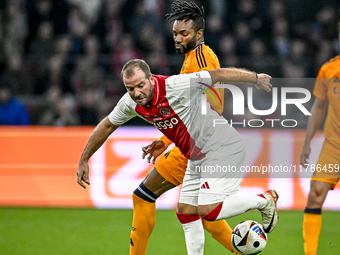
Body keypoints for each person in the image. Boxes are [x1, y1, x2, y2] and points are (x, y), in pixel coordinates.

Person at [77, 59, 279, 255]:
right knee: (186, 211)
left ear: (151, 79)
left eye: (140, 85)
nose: (137, 93)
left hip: (221, 145)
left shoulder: (175, 85)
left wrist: (254, 78)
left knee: (208, 210)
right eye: (130, 89)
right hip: (196, 155)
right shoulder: (129, 103)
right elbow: (107, 125)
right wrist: (84, 159)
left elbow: (219, 75)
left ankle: (264, 200)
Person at [128, 1, 234, 254]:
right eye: (175, 33)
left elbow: (213, 106)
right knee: (192, 212)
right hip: (191, 144)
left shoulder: (201, 58)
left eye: (183, 34)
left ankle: (261, 205)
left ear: (198, 34)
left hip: (202, 146)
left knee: (152, 199)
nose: (177, 38)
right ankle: (246, 246)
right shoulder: (191, 58)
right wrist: (166, 141)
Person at [300, 25, 340, 255]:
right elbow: (318, 106)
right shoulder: (329, 69)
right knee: (315, 194)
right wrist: (307, 142)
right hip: (334, 146)